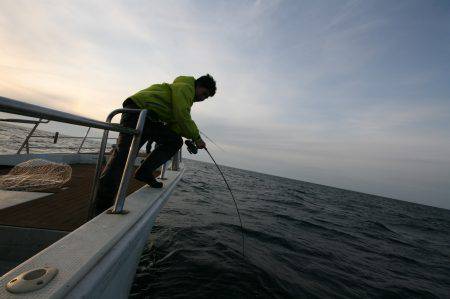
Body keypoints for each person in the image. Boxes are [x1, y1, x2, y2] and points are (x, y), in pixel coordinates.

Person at [94, 74, 216, 214]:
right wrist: (197, 137)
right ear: (198, 85)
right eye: (204, 93)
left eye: (206, 98)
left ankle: (144, 172)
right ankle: (101, 205)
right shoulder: (185, 88)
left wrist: (195, 138)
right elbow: (182, 115)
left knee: (174, 140)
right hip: (136, 111)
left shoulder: (182, 96)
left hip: (151, 119)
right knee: (122, 158)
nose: (202, 98)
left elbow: (177, 124)